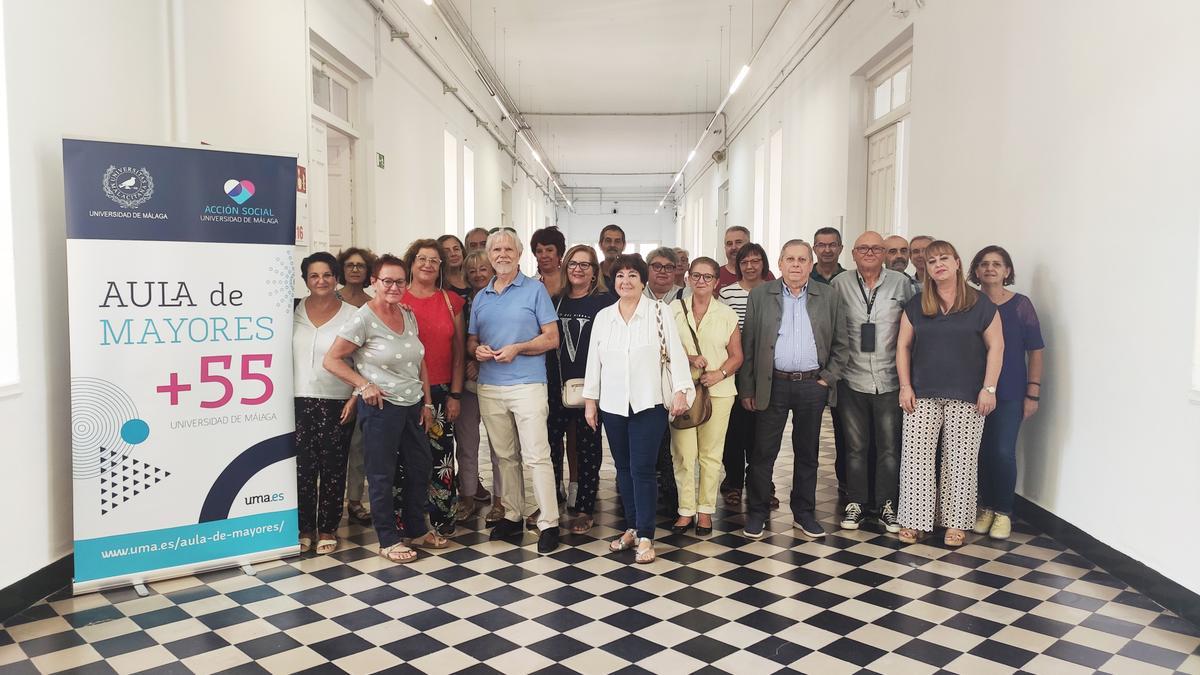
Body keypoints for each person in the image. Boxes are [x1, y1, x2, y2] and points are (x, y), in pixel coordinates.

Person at [323, 255, 445, 564]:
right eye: (387, 281)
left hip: (413, 405)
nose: (394, 287)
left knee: (420, 468)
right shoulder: (362, 319)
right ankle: (388, 539)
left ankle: (417, 530)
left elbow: (420, 360)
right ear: (374, 283)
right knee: (381, 475)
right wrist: (364, 385)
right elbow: (332, 360)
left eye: (399, 281)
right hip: (380, 408)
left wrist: (427, 401)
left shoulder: (407, 313)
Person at [584, 254, 692, 564]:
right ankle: (631, 528)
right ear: (613, 280)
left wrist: (682, 390)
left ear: (642, 281)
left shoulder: (659, 312)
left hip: (650, 402)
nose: (626, 281)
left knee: (643, 469)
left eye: (632, 275)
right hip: (613, 405)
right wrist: (591, 401)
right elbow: (595, 360)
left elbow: (676, 354)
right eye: (620, 276)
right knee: (623, 468)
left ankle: (646, 535)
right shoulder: (604, 317)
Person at [895, 240, 1003, 547]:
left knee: (961, 460)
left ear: (957, 262)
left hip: (968, 394)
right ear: (926, 269)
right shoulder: (918, 304)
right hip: (922, 393)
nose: (938, 264)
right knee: (916, 459)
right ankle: (915, 521)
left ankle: (956, 523)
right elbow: (902, 346)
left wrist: (989, 388)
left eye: (944, 258)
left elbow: (997, 347)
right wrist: (905, 385)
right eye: (932, 261)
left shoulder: (980, 304)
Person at [738, 240, 846, 540]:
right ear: (780, 263)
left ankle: (804, 513)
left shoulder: (828, 295)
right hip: (773, 383)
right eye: (790, 259)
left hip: (812, 385)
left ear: (810, 264)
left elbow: (842, 341)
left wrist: (828, 378)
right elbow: (749, 344)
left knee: (807, 452)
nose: (796, 265)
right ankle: (757, 512)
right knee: (763, 452)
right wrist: (748, 387)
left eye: (802, 259)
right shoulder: (761, 295)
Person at [468, 229, 563, 553]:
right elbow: (471, 339)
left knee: (537, 456)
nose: (502, 254)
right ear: (489, 255)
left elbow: (552, 338)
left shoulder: (535, 291)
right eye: (496, 249)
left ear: (519, 254)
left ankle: (549, 521)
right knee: (505, 456)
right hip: (490, 386)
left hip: (528, 385)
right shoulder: (482, 297)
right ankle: (511, 515)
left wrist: (519, 348)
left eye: (509, 248)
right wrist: (477, 349)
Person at [830, 232, 914, 533]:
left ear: (884, 254)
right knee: (855, 447)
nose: (869, 252)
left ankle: (887, 505)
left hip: (890, 379)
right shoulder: (838, 284)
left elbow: (914, 330)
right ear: (852, 253)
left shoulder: (901, 284)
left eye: (876, 248)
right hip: (851, 379)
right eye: (863, 248)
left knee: (890, 448)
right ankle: (856, 503)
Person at [969, 246, 1044, 540]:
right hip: (972, 391)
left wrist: (1033, 392)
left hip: (1011, 390)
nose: (990, 269)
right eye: (984, 264)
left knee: (1002, 452)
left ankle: (1003, 511)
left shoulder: (1021, 305)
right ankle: (985, 507)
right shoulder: (971, 303)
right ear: (975, 271)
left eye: (997, 264)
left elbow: (1036, 350)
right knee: (980, 452)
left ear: (1007, 271)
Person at [669, 257, 742, 536]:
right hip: (682, 392)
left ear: (716, 282)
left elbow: (737, 356)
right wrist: (688, 357)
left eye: (708, 277)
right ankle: (685, 510)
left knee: (711, 455)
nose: (701, 281)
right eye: (696, 276)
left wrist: (719, 373)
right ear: (687, 278)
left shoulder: (726, 314)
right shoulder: (673, 309)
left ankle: (705, 511)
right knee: (684, 454)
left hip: (719, 392)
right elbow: (662, 349)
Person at [293, 252, 358, 555]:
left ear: (336, 278)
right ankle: (305, 526)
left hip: (337, 400)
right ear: (305, 279)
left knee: (333, 466)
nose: (321, 281)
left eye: (327, 275)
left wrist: (356, 396)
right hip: (297, 399)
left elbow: (364, 361)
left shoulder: (353, 314)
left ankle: (328, 528)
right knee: (302, 468)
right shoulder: (291, 311)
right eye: (314, 275)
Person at [401, 240, 466, 536]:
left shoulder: (451, 301)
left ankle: (442, 515)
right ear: (411, 263)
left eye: (434, 260)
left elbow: (459, 351)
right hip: (403, 393)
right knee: (404, 458)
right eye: (422, 259)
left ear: (441, 266)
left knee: (440, 458)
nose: (427, 264)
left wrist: (455, 394)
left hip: (441, 391)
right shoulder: (397, 299)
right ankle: (406, 518)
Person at [548, 245, 614, 534]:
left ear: (594, 271)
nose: (578, 269)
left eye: (585, 265)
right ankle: (550, 500)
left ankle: (585, 507)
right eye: (573, 263)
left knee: (588, 447)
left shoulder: (605, 302)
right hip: (556, 384)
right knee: (550, 445)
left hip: (592, 387)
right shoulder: (555, 301)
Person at [717, 243, 771, 509]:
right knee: (734, 432)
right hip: (733, 370)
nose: (750, 266)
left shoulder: (774, 292)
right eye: (744, 261)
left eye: (756, 260)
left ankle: (762, 485)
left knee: (763, 434)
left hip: (765, 372)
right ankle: (733, 483)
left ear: (764, 263)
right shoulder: (726, 293)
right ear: (737, 265)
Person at [335, 247, 376, 527]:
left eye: (361, 266)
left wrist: (357, 390)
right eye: (350, 265)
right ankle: (331, 501)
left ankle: (355, 499)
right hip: (330, 379)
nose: (355, 270)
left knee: (359, 447)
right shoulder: (333, 298)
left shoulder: (372, 303)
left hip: (360, 381)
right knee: (335, 448)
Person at [810, 226, 850, 498]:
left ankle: (847, 486)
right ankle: (806, 492)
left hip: (839, 369)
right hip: (806, 372)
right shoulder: (801, 278)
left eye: (832, 244)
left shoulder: (848, 280)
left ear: (840, 248)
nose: (826, 249)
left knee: (844, 432)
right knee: (806, 437)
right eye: (821, 245)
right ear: (814, 248)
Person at [458, 251, 498, 521]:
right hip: (466, 382)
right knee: (467, 444)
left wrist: (481, 363)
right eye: (472, 270)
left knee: (500, 446)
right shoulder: (459, 303)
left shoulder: (502, 299)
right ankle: (468, 496)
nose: (478, 275)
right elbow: (456, 340)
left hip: (497, 378)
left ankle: (502, 501)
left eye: (483, 269)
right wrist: (469, 361)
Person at [532, 226, 566, 298]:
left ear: (559, 253)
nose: (544, 255)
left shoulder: (570, 281)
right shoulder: (530, 285)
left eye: (549, 250)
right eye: (539, 251)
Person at [437, 234, 471, 301]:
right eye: (446, 251)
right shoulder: (438, 284)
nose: (453, 254)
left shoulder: (472, 277)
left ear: (462, 251)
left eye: (456, 249)